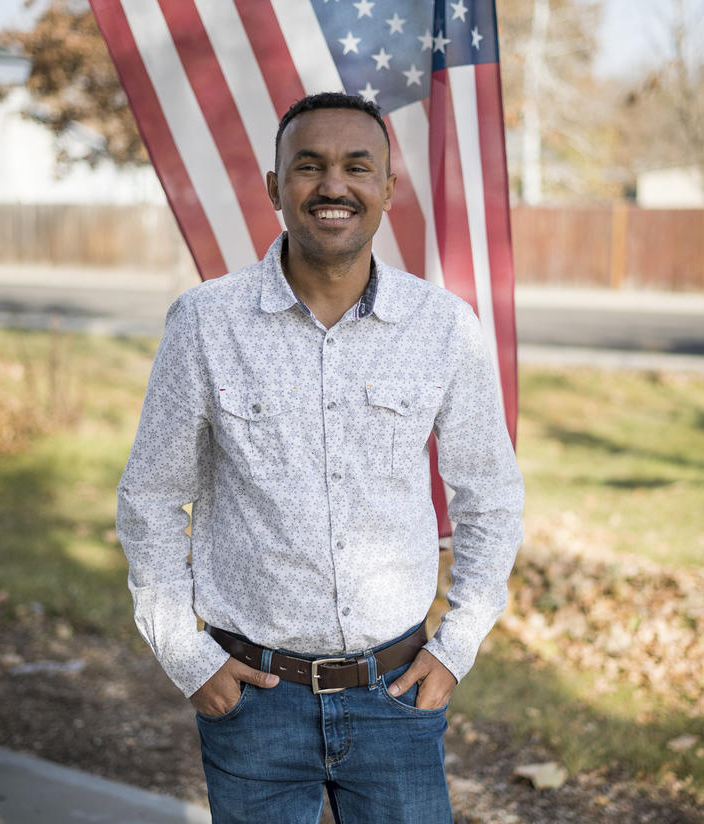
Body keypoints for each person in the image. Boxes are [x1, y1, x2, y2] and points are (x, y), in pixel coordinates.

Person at [117, 92, 524, 824]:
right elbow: (150, 496)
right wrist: (186, 655)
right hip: (253, 700)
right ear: (275, 187)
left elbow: (489, 495)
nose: (333, 186)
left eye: (356, 167)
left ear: (387, 190)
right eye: (309, 166)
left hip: (396, 695)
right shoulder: (206, 323)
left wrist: (458, 645)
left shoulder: (442, 327)